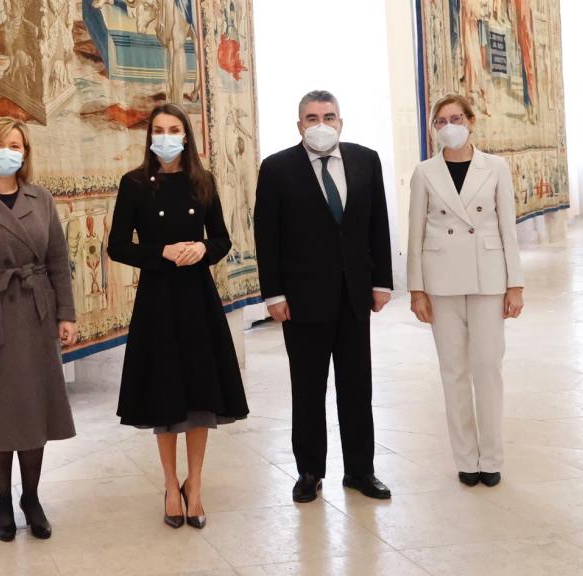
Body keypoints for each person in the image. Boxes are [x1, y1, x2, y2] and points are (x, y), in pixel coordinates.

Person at [108, 103, 248, 530]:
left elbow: (222, 239)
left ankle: (197, 485)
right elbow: (117, 246)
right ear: (149, 136)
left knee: (200, 395)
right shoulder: (133, 184)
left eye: (174, 130)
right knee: (165, 392)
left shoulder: (201, 183)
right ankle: (171, 486)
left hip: (197, 299)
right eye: (158, 130)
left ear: (186, 137)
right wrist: (160, 253)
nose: (166, 136)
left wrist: (204, 249)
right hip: (157, 299)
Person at [253, 90, 393, 503]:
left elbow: (377, 224)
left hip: (354, 297)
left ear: (340, 121)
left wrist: (381, 282)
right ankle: (309, 471)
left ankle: (361, 471)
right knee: (308, 389)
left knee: (356, 387)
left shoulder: (366, 160)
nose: (320, 124)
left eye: (328, 116)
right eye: (311, 117)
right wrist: (273, 294)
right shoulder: (277, 168)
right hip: (301, 299)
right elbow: (267, 236)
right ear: (299, 125)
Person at [0, 118, 77, 541]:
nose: (10, 150)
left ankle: (32, 497)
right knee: (1, 413)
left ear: (26, 153)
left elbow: (58, 261)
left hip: (37, 317)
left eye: (17, 144)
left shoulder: (41, 200)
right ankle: (2, 498)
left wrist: (66, 314)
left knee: (35, 410)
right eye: (2, 144)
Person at [407, 94, 524, 488]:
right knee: (453, 370)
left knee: (487, 366)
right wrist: (416, 289)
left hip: (488, 276)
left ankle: (491, 457)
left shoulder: (496, 167)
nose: (449, 126)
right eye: (440, 121)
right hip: (440, 280)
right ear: (433, 128)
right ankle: (466, 459)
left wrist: (516, 284)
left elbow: (508, 226)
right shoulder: (424, 172)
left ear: (471, 121)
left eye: (455, 118)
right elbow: (416, 232)